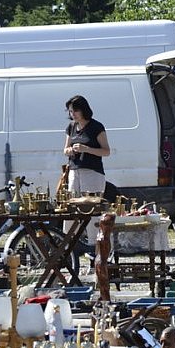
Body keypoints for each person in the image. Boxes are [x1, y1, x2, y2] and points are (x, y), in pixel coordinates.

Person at [63, 95, 110, 243]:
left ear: (83, 110)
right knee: (71, 206)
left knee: (92, 208)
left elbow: (106, 151)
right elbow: (65, 149)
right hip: (74, 170)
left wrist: (86, 149)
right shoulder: (71, 127)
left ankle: (94, 244)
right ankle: (69, 243)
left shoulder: (96, 127)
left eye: (75, 111)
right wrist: (70, 150)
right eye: (70, 111)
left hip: (92, 172)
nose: (73, 114)